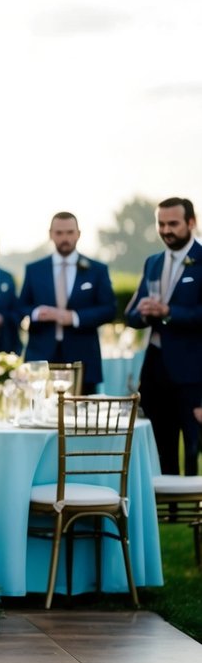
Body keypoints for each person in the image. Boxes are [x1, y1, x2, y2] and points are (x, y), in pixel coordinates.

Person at [125, 197, 202, 476]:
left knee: (193, 447)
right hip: (156, 370)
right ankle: (163, 511)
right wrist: (145, 313)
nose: (166, 230)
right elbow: (130, 314)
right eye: (161, 224)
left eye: (173, 223)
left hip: (192, 374)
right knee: (160, 445)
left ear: (191, 223)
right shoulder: (153, 263)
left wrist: (169, 311)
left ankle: (195, 511)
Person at [18, 212, 116, 395]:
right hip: (41, 358)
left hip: (83, 359)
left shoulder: (97, 270)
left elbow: (110, 309)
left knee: (82, 419)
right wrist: (37, 313)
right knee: (37, 416)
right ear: (51, 234)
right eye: (60, 233)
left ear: (78, 234)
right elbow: (20, 307)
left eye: (70, 232)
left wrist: (75, 317)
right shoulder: (34, 270)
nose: (65, 238)